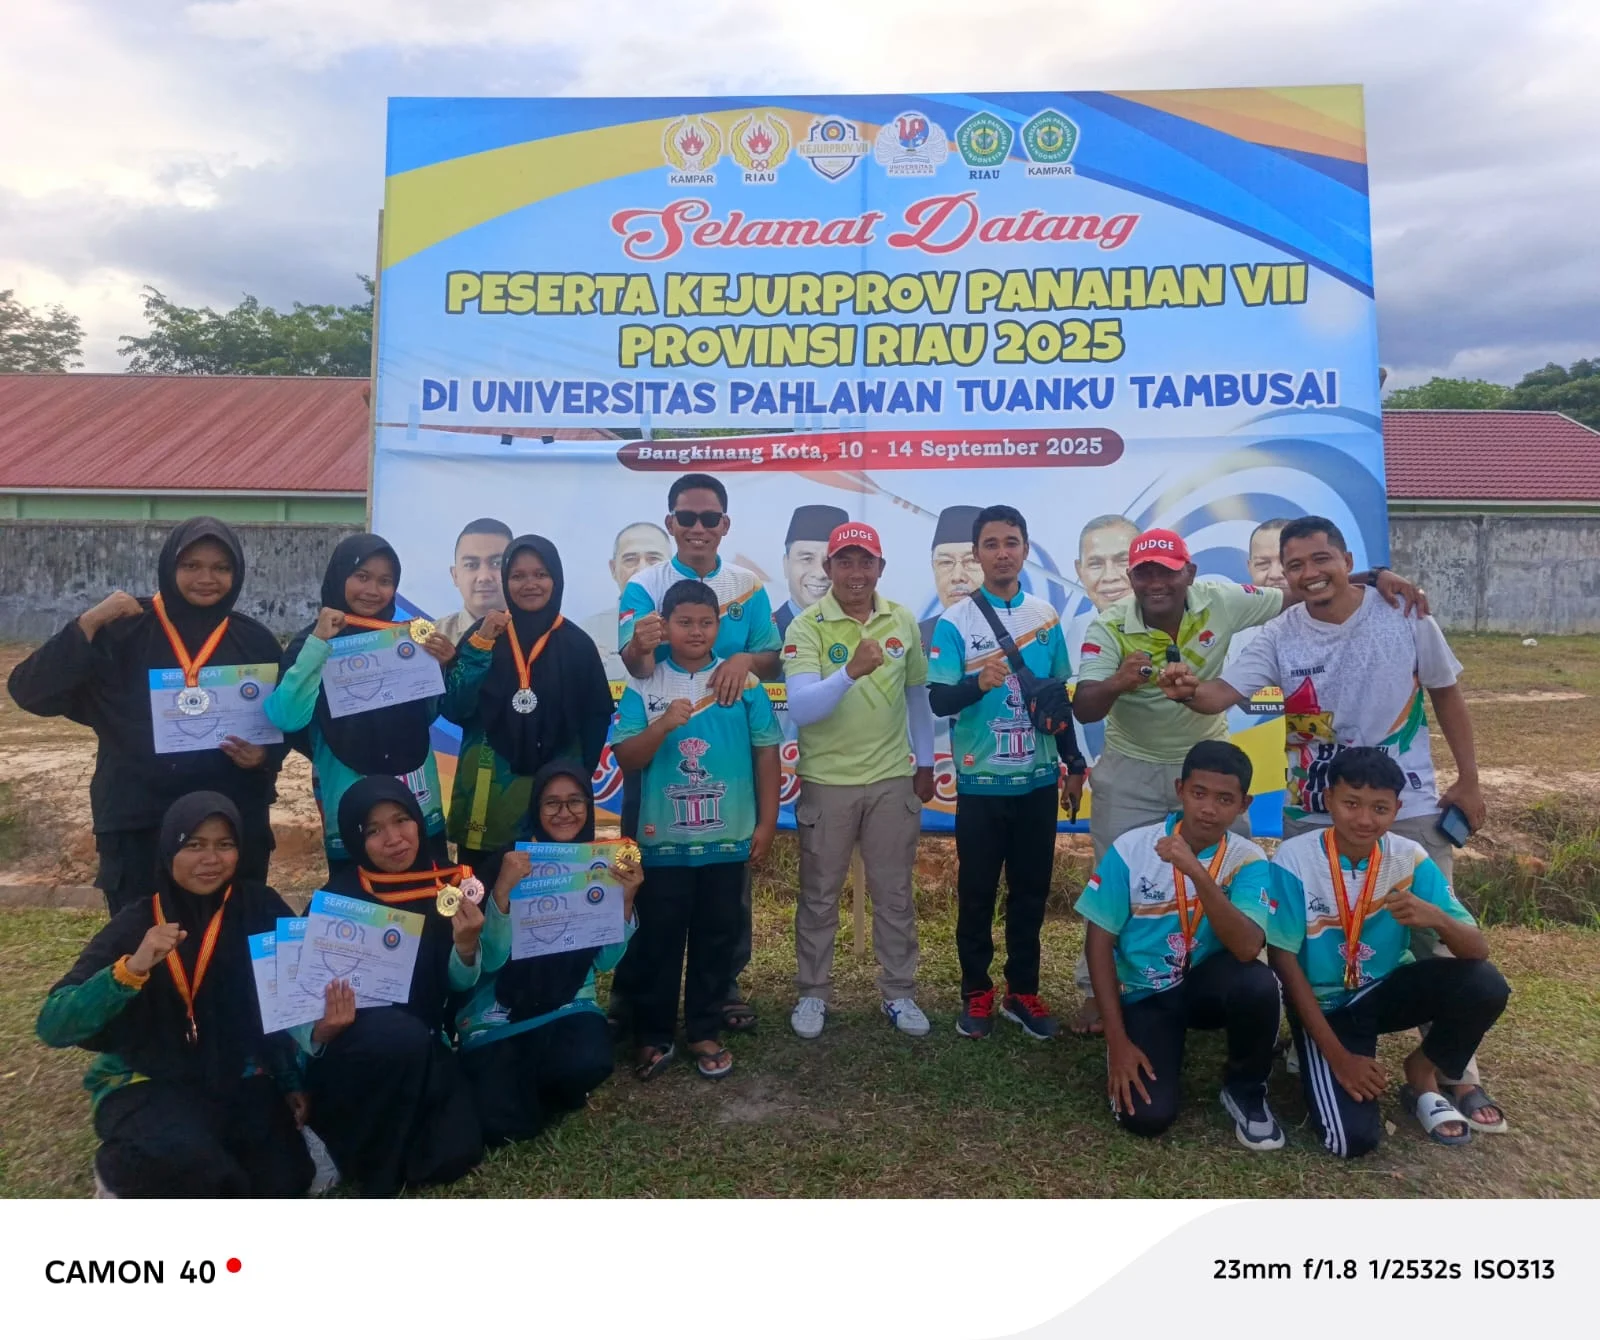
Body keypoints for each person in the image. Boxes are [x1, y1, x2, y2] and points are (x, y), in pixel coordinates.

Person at [1159, 514, 1505, 1131]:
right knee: (1303, 939)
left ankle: (1451, 1070)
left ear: (1348, 560)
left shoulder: (1404, 613)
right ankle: (1310, 1040)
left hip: (1407, 808)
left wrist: (1470, 778)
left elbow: (1446, 691)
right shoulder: (1278, 635)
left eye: (1321, 559)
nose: (1309, 573)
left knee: (1433, 935)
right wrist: (1188, 688)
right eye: (1294, 565)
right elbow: (1220, 695)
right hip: (1312, 814)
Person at [1068, 526, 1425, 1035]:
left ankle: (1237, 984)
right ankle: (1096, 992)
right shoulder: (1108, 626)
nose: (1156, 583)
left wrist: (1374, 576)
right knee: (1114, 877)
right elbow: (1085, 707)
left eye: (1167, 572)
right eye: (1144, 573)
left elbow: (1300, 588)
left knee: (1235, 872)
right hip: (1131, 768)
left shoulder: (1222, 599)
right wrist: (1119, 682)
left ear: (1189, 574)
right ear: (1132, 577)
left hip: (1207, 767)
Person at [36, 792, 313, 1198]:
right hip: (149, 1079)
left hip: (235, 1074)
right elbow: (53, 1024)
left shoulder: (259, 907)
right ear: (169, 850)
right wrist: (131, 970)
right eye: (194, 845)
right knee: (195, 1168)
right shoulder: (139, 922)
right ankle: (115, 1176)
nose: (211, 859)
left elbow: (284, 1003)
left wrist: (289, 1081)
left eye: (224, 844)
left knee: (286, 1180)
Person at [8, 517, 287, 913]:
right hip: (138, 825)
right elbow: (31, 692)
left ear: (237, 572)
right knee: (142, 940)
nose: (206, 578)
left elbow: (286, 720)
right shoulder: (125, 630)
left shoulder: (255, 641)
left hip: (229, 825)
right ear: (169, 566)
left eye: (221, 567)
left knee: (228, 939)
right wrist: (90, 621)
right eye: (191, 565)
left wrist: (264, 756)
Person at [1266, 748, 1510, 1157]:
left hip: (1385, 990)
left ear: (1397, 809)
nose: (1365, 819)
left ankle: (1422, 1073)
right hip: (1326, 1006)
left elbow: (1477, 950)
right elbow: (1282, 960)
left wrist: (1437, 918)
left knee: (1484, 984)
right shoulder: (1295, 859)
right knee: (1350, 1140)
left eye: (1380, 808)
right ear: (1329, 801)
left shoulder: (1408, 856)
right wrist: (1339, 1057)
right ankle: (1317, 1053)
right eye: (1351, 803)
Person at [614, 473, 781, 1034]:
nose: (698, 528)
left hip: (727, 755)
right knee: (648, 884)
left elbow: (770, 657)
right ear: (671, 523)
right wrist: (642, 647)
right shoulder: (645, 586)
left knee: (725, 891)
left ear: (724, 525)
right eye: (687, 518)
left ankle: (721, 989)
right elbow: (636, 666)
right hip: (659, 745)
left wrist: (743, 661)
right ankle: (636, 996)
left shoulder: (748, 587)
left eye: (710, 518)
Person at [927, 505, 1086, 1041]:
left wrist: (1074, 763)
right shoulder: (955, 621)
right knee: (975, 893)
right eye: (991, 544)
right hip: (981, 784)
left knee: (1030, 892)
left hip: (1037, 783)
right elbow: (938, 699)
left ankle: (1023, 991)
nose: (1002, 553)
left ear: (1025, 549)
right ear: (977, 554)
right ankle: (976, 992)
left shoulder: (1044, 616)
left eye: (1011, 542)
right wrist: (978, 683)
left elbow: (1058, 700)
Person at [1076, 742, 1284, 1149]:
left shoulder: (1249, 859)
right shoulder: (1132, 848)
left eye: (1224, 799)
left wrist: (1197, 872)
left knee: (1259, 983)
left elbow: (1247, 948)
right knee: (1147, 1118)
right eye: (1198, 793)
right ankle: (1142, 1040)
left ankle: (1245, 1090)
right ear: (1180, 790)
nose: (1208, 809)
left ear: (1244, 805)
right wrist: (1118, 1042)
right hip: (1146, 994)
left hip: (1207, 986)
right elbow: (1098, 944)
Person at [300, 777, 500, 1196]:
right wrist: (321, 1031)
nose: (393, 839)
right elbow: (296, 1002)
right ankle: (336, 1145)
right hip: (356, 1057)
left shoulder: (444, 888)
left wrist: (465, 946)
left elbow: (454, 984)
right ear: (355, 839)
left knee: (455, 1152)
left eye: (401, 820)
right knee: (396, 1038)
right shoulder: (332, 903)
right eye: (373, 830)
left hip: (424, 1046)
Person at [783, 522, 937, 1039]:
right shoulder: (806, 626)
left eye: (865, 562)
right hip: (827, 781)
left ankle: (899, 993)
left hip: (892, 778)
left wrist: (925, 763)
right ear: (828, 568)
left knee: (894, 893)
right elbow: (802, 708)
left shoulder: (902, 620)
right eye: (845, 562)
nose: (856, 573)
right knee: (819, 895)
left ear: (880, 568)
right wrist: (849, 672)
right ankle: (813, 993)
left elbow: (916, 695)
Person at [267, 534, 495, 878]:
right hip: (348, 792)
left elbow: (429, 713)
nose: (373, 590)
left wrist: (446, 666)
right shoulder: (312, 642)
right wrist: (318, 644)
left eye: (385, 581)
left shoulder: (407, 639)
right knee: (362, 894)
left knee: (426, 890)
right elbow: (287, 717)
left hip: (416, 792)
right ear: (339, 575)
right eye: (362, 576)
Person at [456, 761, 642, 1145]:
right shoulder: (505, 863)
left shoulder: (602, 864)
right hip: (500, 1013)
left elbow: (605, 961)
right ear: (535, 809)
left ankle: (540, 1082)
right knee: (504, 1125)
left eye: (575, 801)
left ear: (589, 806)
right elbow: (491, 960)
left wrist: (625, 900)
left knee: (590, 1061)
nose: (564, 813)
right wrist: (502, 893)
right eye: (552, 803)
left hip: (567, 1004)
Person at [446, 534, 614, 892]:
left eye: (540, 574)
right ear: (505, 581)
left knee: (557, 902)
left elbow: (596, 719)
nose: (530, 584)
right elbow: (455, 706)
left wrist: (573, 778)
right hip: (489, 800)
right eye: (518, 576)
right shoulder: (484, 634)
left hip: (557, 803)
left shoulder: (577, 645)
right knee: (483, 902)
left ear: (556, 578)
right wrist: (481, 646)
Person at [580, 520, 670, 680]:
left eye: (653, 559)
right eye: (630, 559)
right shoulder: (587, 634)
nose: (642, 569)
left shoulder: (698, 626)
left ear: (671, 568)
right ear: (613, 569)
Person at [435, 517, 512, 647]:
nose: (484, 577)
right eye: (471, 565)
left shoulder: (539, 633)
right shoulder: (430, 640)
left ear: (515, 572)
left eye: (497, 563)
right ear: (455, 575)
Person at [917, 504, 984, 652]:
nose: (957, 576)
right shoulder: (916, 638)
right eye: (946, 562)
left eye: (971, 561)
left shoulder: (1022, 631)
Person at [775, 504, 849, 636]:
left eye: (831, 561)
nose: (821, 573)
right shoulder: (761, 634)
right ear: (786, 565)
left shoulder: (864, 631)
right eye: (807, 559)